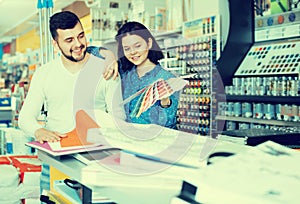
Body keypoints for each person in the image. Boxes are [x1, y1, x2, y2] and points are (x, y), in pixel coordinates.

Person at [18, 11, 125, 193]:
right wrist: (38, 130)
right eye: (69, 40)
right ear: (55, 44)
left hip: (95, 163)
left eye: (81, 36)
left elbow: (119, 119)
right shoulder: (44, 74)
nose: (78, 44)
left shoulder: (105, 70)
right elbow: (25, 117)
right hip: (54, 163)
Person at [115, 21, 179, 129]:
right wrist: (108, 57)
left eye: (137, 46)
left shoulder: (167, 78)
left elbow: (169, 123)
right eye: (127, 49)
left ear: (149, 43)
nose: (133, 52)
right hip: (128, 140)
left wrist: (165, 101)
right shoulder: (124, 75)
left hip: (155, 142)